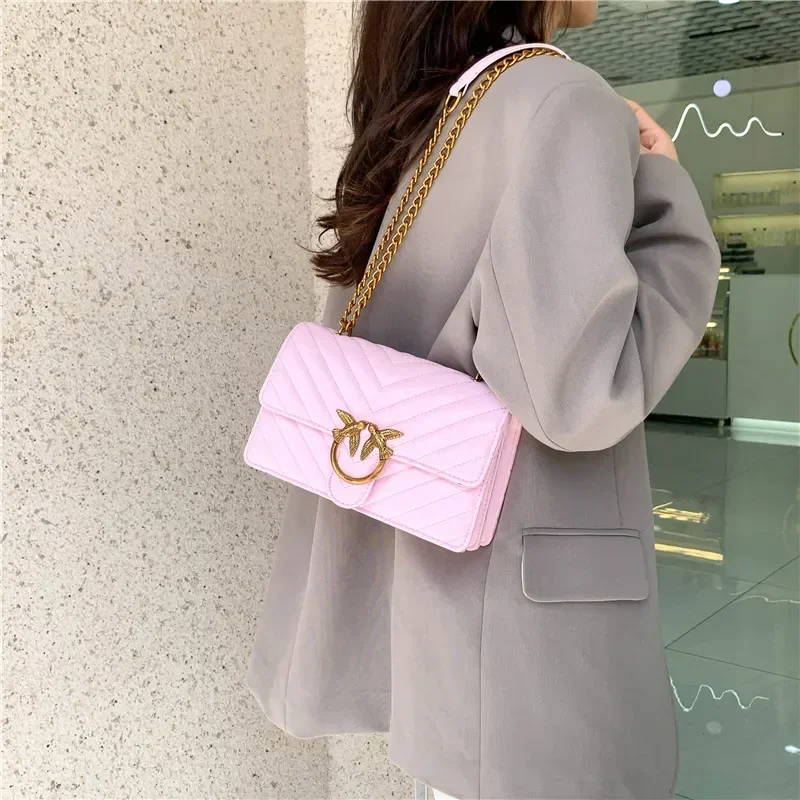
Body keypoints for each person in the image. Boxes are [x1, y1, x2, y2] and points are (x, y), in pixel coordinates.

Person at [245, 2, 720, 798]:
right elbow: (576, 397)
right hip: (522, 637)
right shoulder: (560, 102)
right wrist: (669, 202)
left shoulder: (430, 112)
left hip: (432, 603)